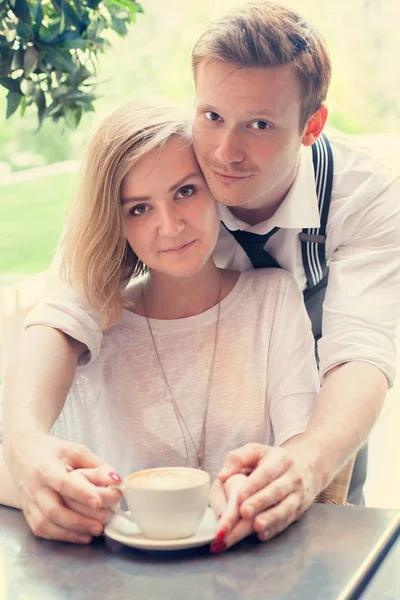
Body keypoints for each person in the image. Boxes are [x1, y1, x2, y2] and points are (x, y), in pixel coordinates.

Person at [2, 0, 400, 543]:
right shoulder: (163, 163)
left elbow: (361, 351)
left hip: (317, 419)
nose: (225, 152)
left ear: (311, 126)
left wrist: (308, 463)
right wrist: (24, 443)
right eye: (212, 116)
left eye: (260, 124)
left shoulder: (365, 197)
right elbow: (61, 314)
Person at [0, 98, 320, 552]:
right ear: (118, 222)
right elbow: (15, 454)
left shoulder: (272, 299)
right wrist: (58, 493)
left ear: (215, 187)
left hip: (247, 567)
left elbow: (299, 446)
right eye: (139, 209)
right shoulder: (96, 325)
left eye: (185, 192)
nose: (170, 226)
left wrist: (266, 483)